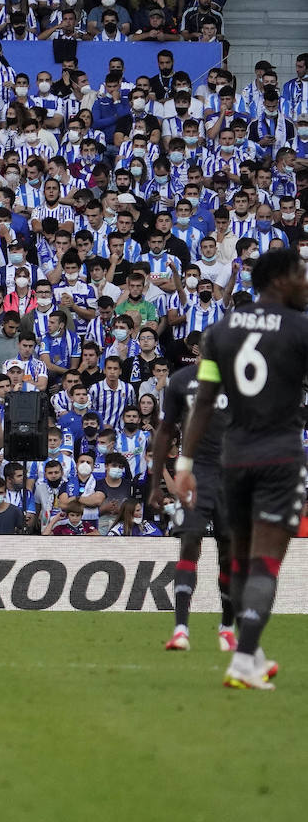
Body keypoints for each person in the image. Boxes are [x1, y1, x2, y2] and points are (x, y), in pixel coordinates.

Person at [174, 248, 308, 691]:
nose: (307, 283)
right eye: (302, 275)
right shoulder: (301, 328)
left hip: (234, 459)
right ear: (280, 278)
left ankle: (251, 651)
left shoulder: (221, 330)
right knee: (266, 563)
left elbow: (205, 400)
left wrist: (186, 463)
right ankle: (244, 658)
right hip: (281, 457)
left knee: (244, 561)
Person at [149, 361, 237, 653]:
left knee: (228, 552)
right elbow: (165, 431)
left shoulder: (241, 377)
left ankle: (226, 628)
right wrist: (154, 485)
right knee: (189, 543)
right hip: (195, 474)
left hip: (233, 476)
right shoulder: (181, 381)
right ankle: (180, 629)